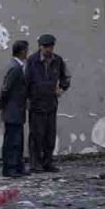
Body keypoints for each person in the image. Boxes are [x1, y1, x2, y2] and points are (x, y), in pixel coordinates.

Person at [25, 32, 70, 173]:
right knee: (36, 135)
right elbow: (26, 81)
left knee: (50, 135)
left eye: (50, 47)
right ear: (40, 47)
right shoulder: (32, 61)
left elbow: (66, 77)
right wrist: (28, 99)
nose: (48, 50)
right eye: (45, 47)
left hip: (51, 102)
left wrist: (62, 88)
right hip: (36, 102)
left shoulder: (57, 60)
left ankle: (47, 162)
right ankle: (35, 163)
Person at [0, 39, 28, 177]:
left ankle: (17, 166)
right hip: (13, 109)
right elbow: (6, 88)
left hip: (16, 109)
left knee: (17, 139)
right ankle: (10, 168)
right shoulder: (15, 68)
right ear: (22, 51)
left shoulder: (16, 66)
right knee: (12, 141)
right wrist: (0, 103)